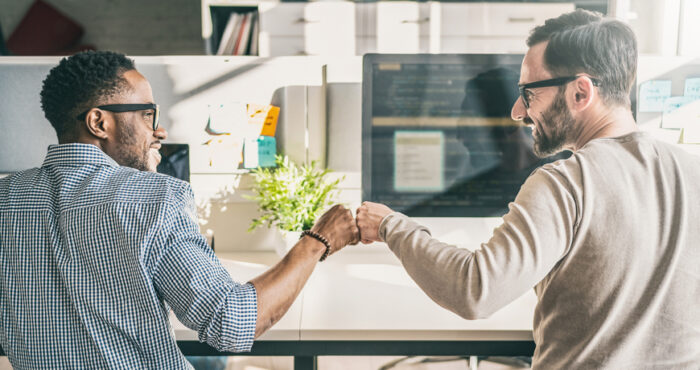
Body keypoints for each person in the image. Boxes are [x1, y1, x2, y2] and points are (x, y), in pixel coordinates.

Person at [356, 9, 700, 369]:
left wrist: (388, 225)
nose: (518, 111)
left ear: (580, 92)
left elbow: (475, 290)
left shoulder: (566, 183)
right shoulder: (693, 172)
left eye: (528, 92)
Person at [0, 51, 360, 369]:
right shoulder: (154, 198)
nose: (158, 130)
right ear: (99, 123)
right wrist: (318, 241)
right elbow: (232, 324)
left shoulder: (6, 196)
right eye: (145, 114)